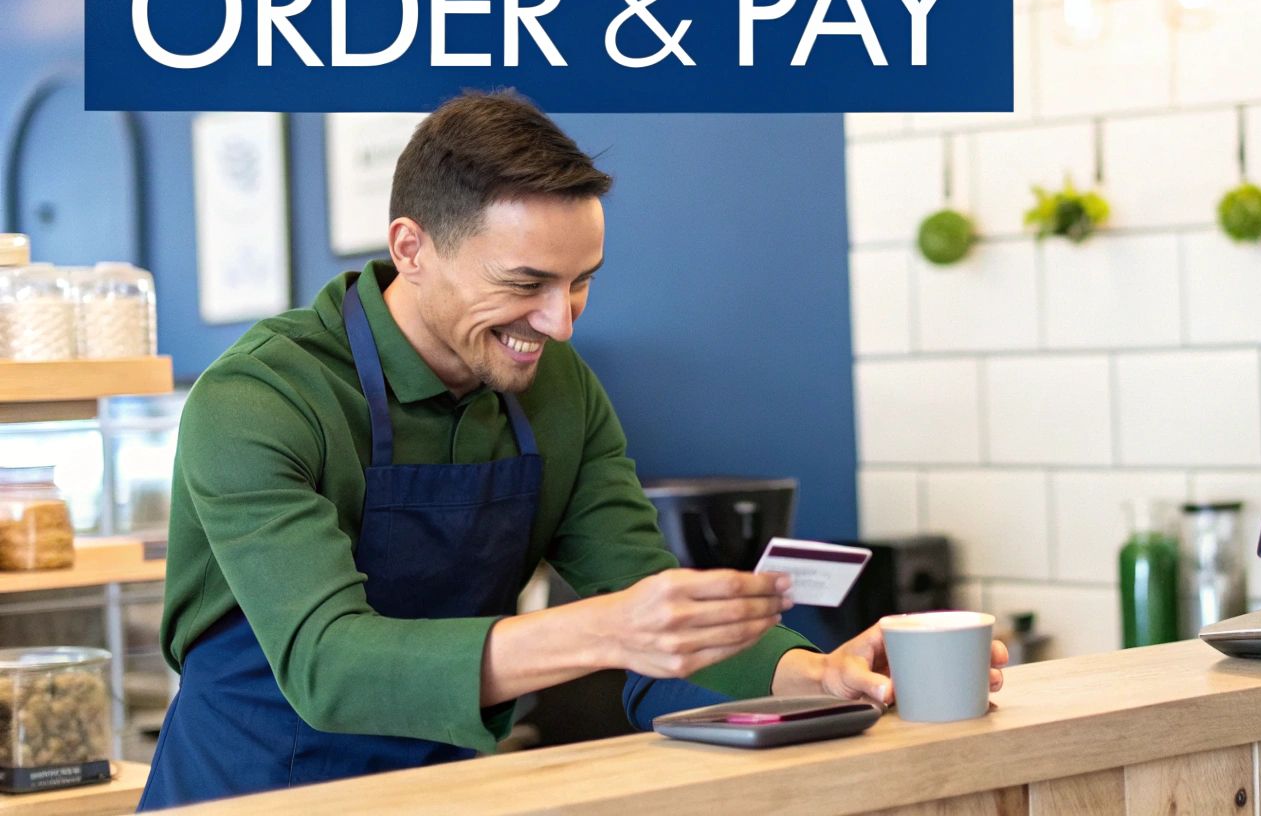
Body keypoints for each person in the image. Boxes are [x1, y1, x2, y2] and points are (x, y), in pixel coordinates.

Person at [141, 92, 1008, 809]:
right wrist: (605, 632)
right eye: (525, 285)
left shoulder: (558, 391)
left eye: (581, 282)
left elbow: (642, 595)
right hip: (252, 792)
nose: (559, 323)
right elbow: (329, 664)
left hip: (448, 790)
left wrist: (811, 671)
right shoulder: (257, 401)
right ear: (412, 249)